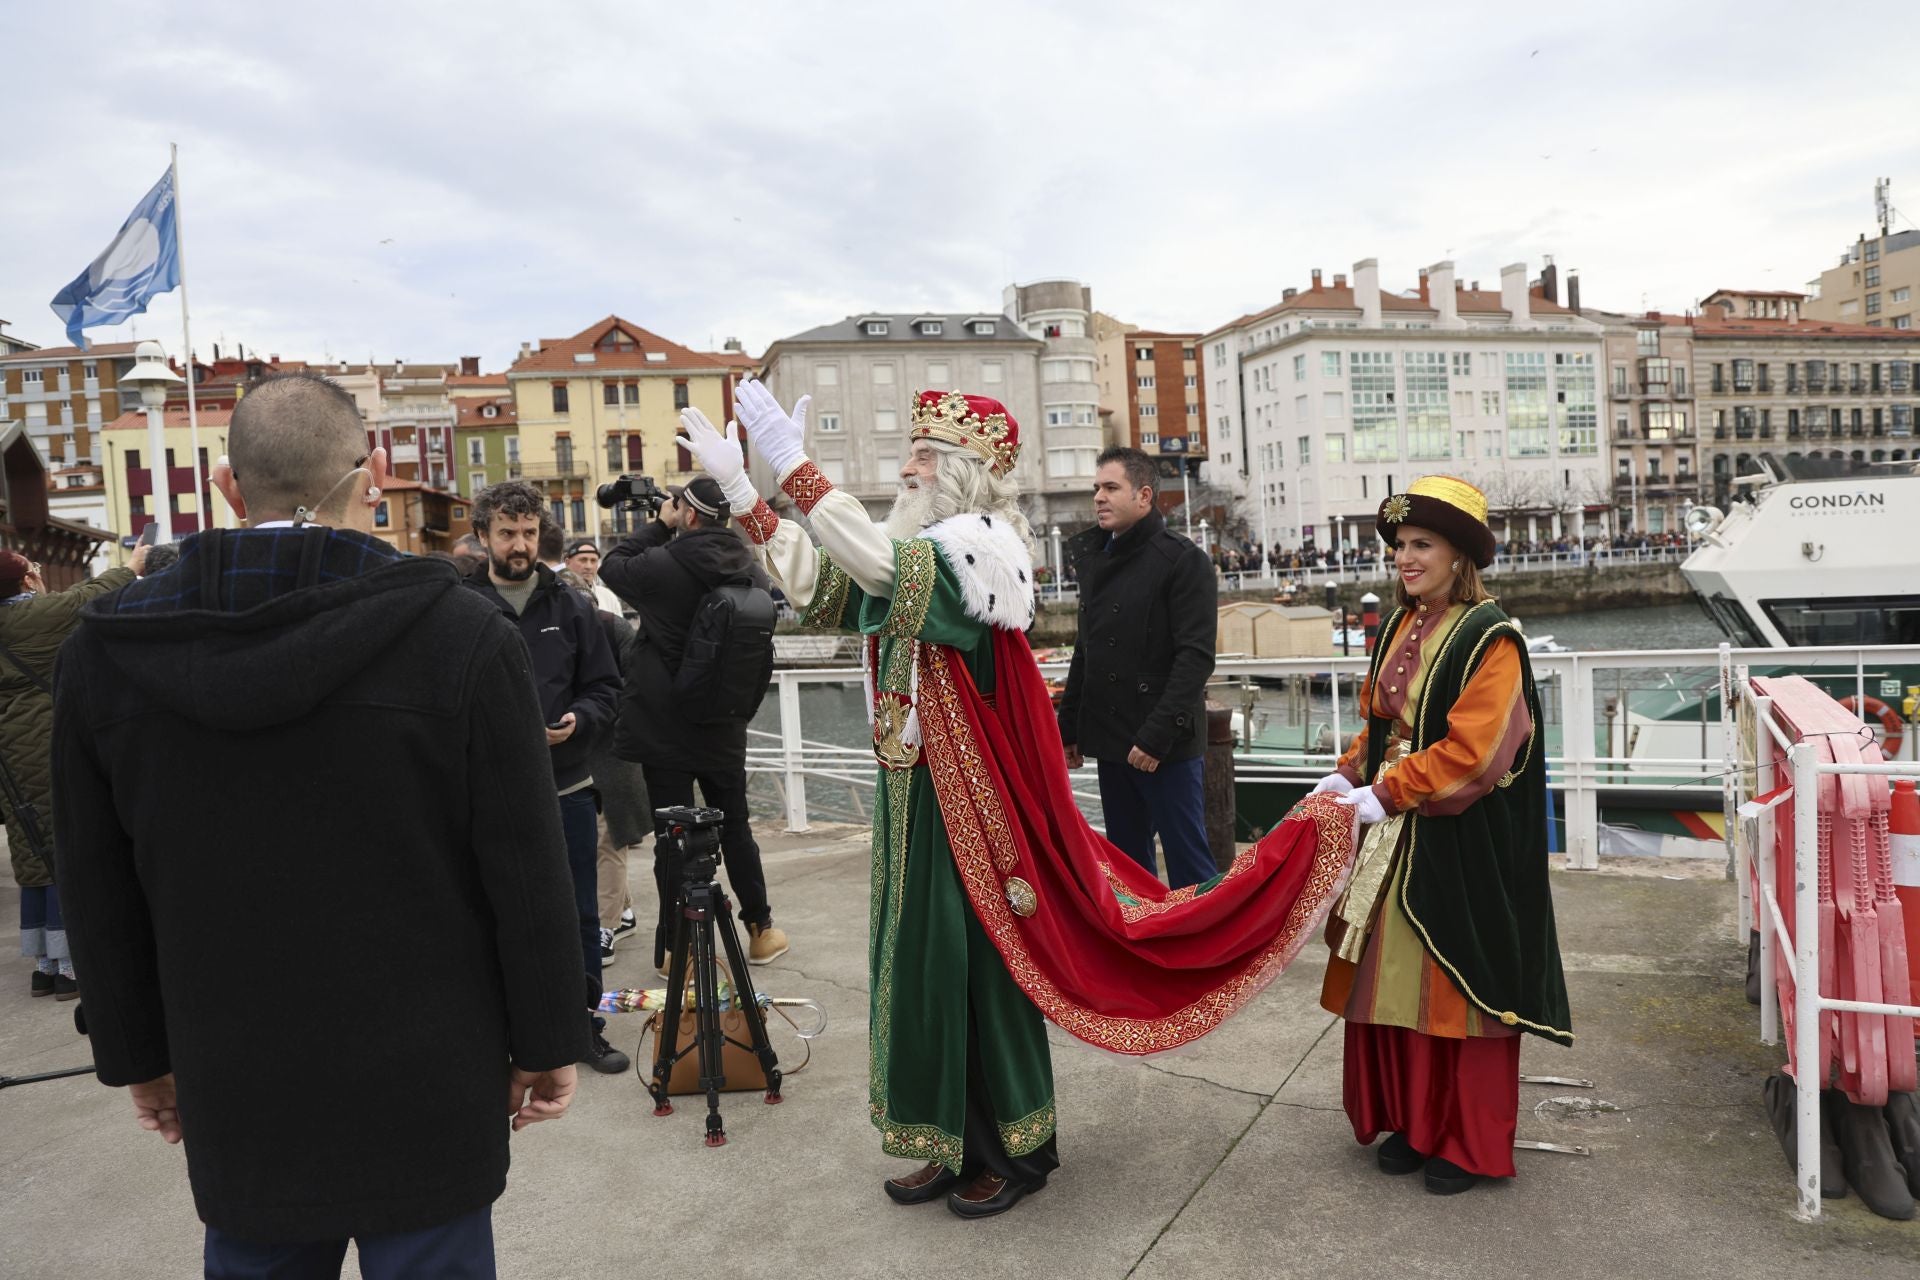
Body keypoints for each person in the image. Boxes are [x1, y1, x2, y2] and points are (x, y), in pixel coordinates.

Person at [699, 381, 1357, 1220]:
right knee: (923, 973)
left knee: (981, 975)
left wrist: (796, 467)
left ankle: (1016, 1148)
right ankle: (944, 1139)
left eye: (923, 455)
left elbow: (869, 562)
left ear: (964, 474)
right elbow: (827, 590)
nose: (905, 468)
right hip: (916, 803)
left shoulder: (975, 555)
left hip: (973, 817)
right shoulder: (923, 545)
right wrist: (744, 493)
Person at [53, 371, 585, 1275]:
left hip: (236, 1071)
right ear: (372, 475)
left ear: (227, 489)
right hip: (428, 1068)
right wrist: (545, 1040)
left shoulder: (108, 653)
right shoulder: (461, 636)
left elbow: (95, 883)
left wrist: (134, 1051)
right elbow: (523, 864)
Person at [1309, 474, 1573, 1196]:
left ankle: (1468, 1139)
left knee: (1456, 983)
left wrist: (1384, 793)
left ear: (1460, 555)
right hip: (1398, 831)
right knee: (1392, 977)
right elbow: (1383, 727)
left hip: (1461, 840)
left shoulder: (1494, 639)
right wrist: (1346, 775)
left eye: (1421, 544)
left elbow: (1475, 756)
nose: (1404, 557)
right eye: (1399, 545)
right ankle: (1412, 1122)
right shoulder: (1400, 624)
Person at [462, 481, 626, 1076]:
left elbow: (607, 688)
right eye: (507, 533)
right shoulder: (460, 607)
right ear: (483, 536)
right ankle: (498, 1032)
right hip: (486, 796)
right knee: (487, 913)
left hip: (567, 789)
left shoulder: (574, 606)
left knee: (580, 915)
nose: (520, 545)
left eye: (529, 533)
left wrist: (580, 719)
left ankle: (584, 1027)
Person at [599, 475, 789, 969]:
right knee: (736, 826)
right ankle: (761, 928)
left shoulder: (664, 563)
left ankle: (677, 945)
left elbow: (611, 567)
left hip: (665, 725)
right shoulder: (750, 569)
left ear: (688, 512)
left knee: (673, 837)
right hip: (724, 722)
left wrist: (659, 526)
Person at [1057, 446, 1216, 888]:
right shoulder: (1096, 559)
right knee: (1126, 870)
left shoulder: (1184, 561)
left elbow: (1195, 658)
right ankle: (1140, 952)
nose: (1099, 498)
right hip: (1112, 738)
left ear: (1144, 496)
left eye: (1111, 488)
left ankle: (1207, 955)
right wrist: (1069, 728)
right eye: (1096, 489)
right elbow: (1086, 651)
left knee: (1190, 866)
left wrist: (1156, 736)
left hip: (1165, 743)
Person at [1, 546, 144, 1000]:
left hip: (9, 753)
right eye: (34, 568)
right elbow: (91, 594)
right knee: (68, 851)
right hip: (45, 741)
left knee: (32, 850)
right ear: (25, 582)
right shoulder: (34, 616)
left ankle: (43, 966)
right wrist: (132, 566)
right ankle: (69, 971)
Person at [557, 567, 651, 967]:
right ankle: (623, 911)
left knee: (607, 838)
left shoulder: (615, 632)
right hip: (573, 749)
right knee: (593, 838)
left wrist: (595, 717)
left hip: (612, 749)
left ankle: (606, 926)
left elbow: (636, 690)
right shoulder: (555, 634)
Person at [563, 537, 627, 618]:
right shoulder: (557, 596)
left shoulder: (608, 597)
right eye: (583, 560)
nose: (589, 566)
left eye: (593, 561)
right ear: (567, 563)